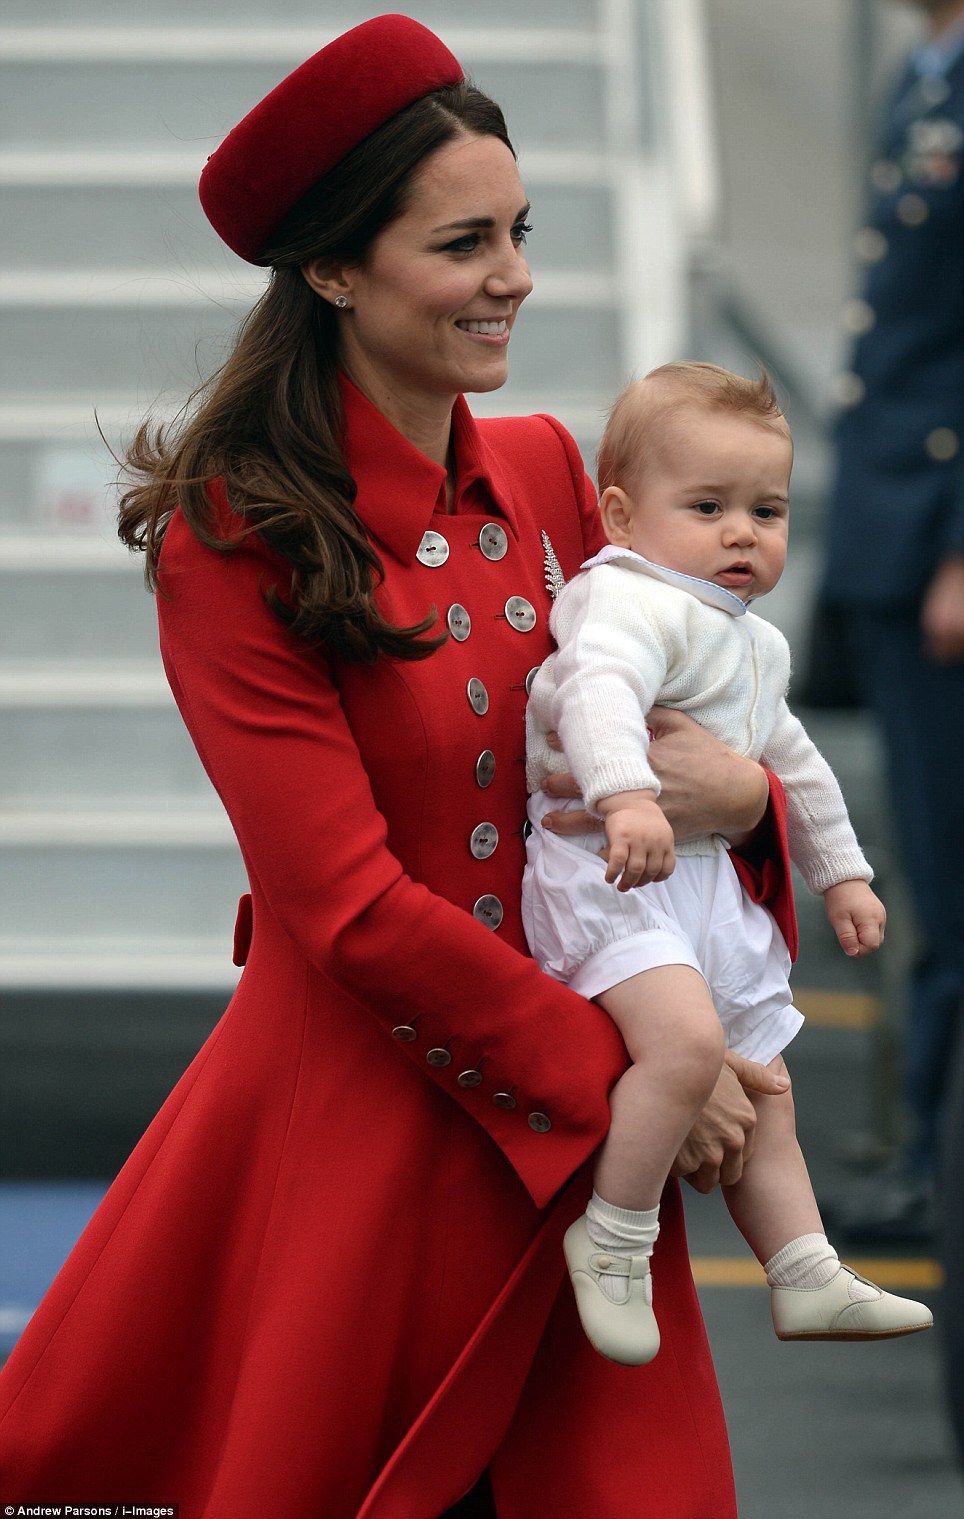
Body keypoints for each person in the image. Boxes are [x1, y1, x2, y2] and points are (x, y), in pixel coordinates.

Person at [0, 18, 792, 1519]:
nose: (516, 276)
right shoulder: (231, 538)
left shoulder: (563, 476)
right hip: (376, 1151)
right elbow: (346, 904)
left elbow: (716, 755)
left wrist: (746, 810)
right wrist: (624, 1076)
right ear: (334, 269)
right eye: (463, 241)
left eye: (522, 232)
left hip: (586, 1149)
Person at [524, 362, 934, 1366]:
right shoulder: (622, 597)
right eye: (706, 506)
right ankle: (613, 1237)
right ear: (620, 514)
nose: (741, 532)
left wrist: (842, 872)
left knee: (768, 1085)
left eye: (767, 508)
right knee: (683, 1047)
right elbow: (597, 695)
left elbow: (792, 762)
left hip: (699, 884)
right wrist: (624, 795)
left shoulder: (750, 642)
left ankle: (803, 1269)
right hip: (608, 872)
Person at [818, 0, 964, 1244]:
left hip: (937, 541)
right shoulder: (926, 76)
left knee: (953, 883)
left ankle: (937, 1156)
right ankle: (924, 1139)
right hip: (895, 526)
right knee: (926, 870)